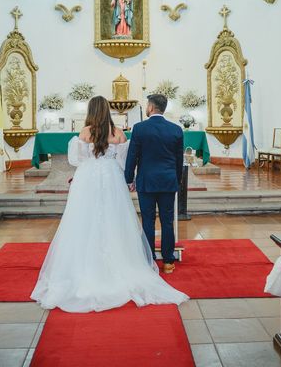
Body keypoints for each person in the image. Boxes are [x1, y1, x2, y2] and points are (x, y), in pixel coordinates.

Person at [31, 96, 187, 312]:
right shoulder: (119, 133)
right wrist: (127, 178)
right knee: (116, 218)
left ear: (91, 111)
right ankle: (137, 261)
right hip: (113, 177)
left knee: (84, 219)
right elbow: (124, 162)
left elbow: (76, 160)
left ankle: (84, 264)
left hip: (87, 180)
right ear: (107, 111)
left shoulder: (85, 133)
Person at [124, 94, 184, 274]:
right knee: (167, 221)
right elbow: (178, 160)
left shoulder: (140, 128)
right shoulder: (176, 129)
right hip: (168, 181)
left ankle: (149, 261)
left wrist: (128, 178)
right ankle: (167, 262)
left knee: (148, 221)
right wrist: (177, 180)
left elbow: (132, 156)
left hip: (146, 181)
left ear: (150, 107)